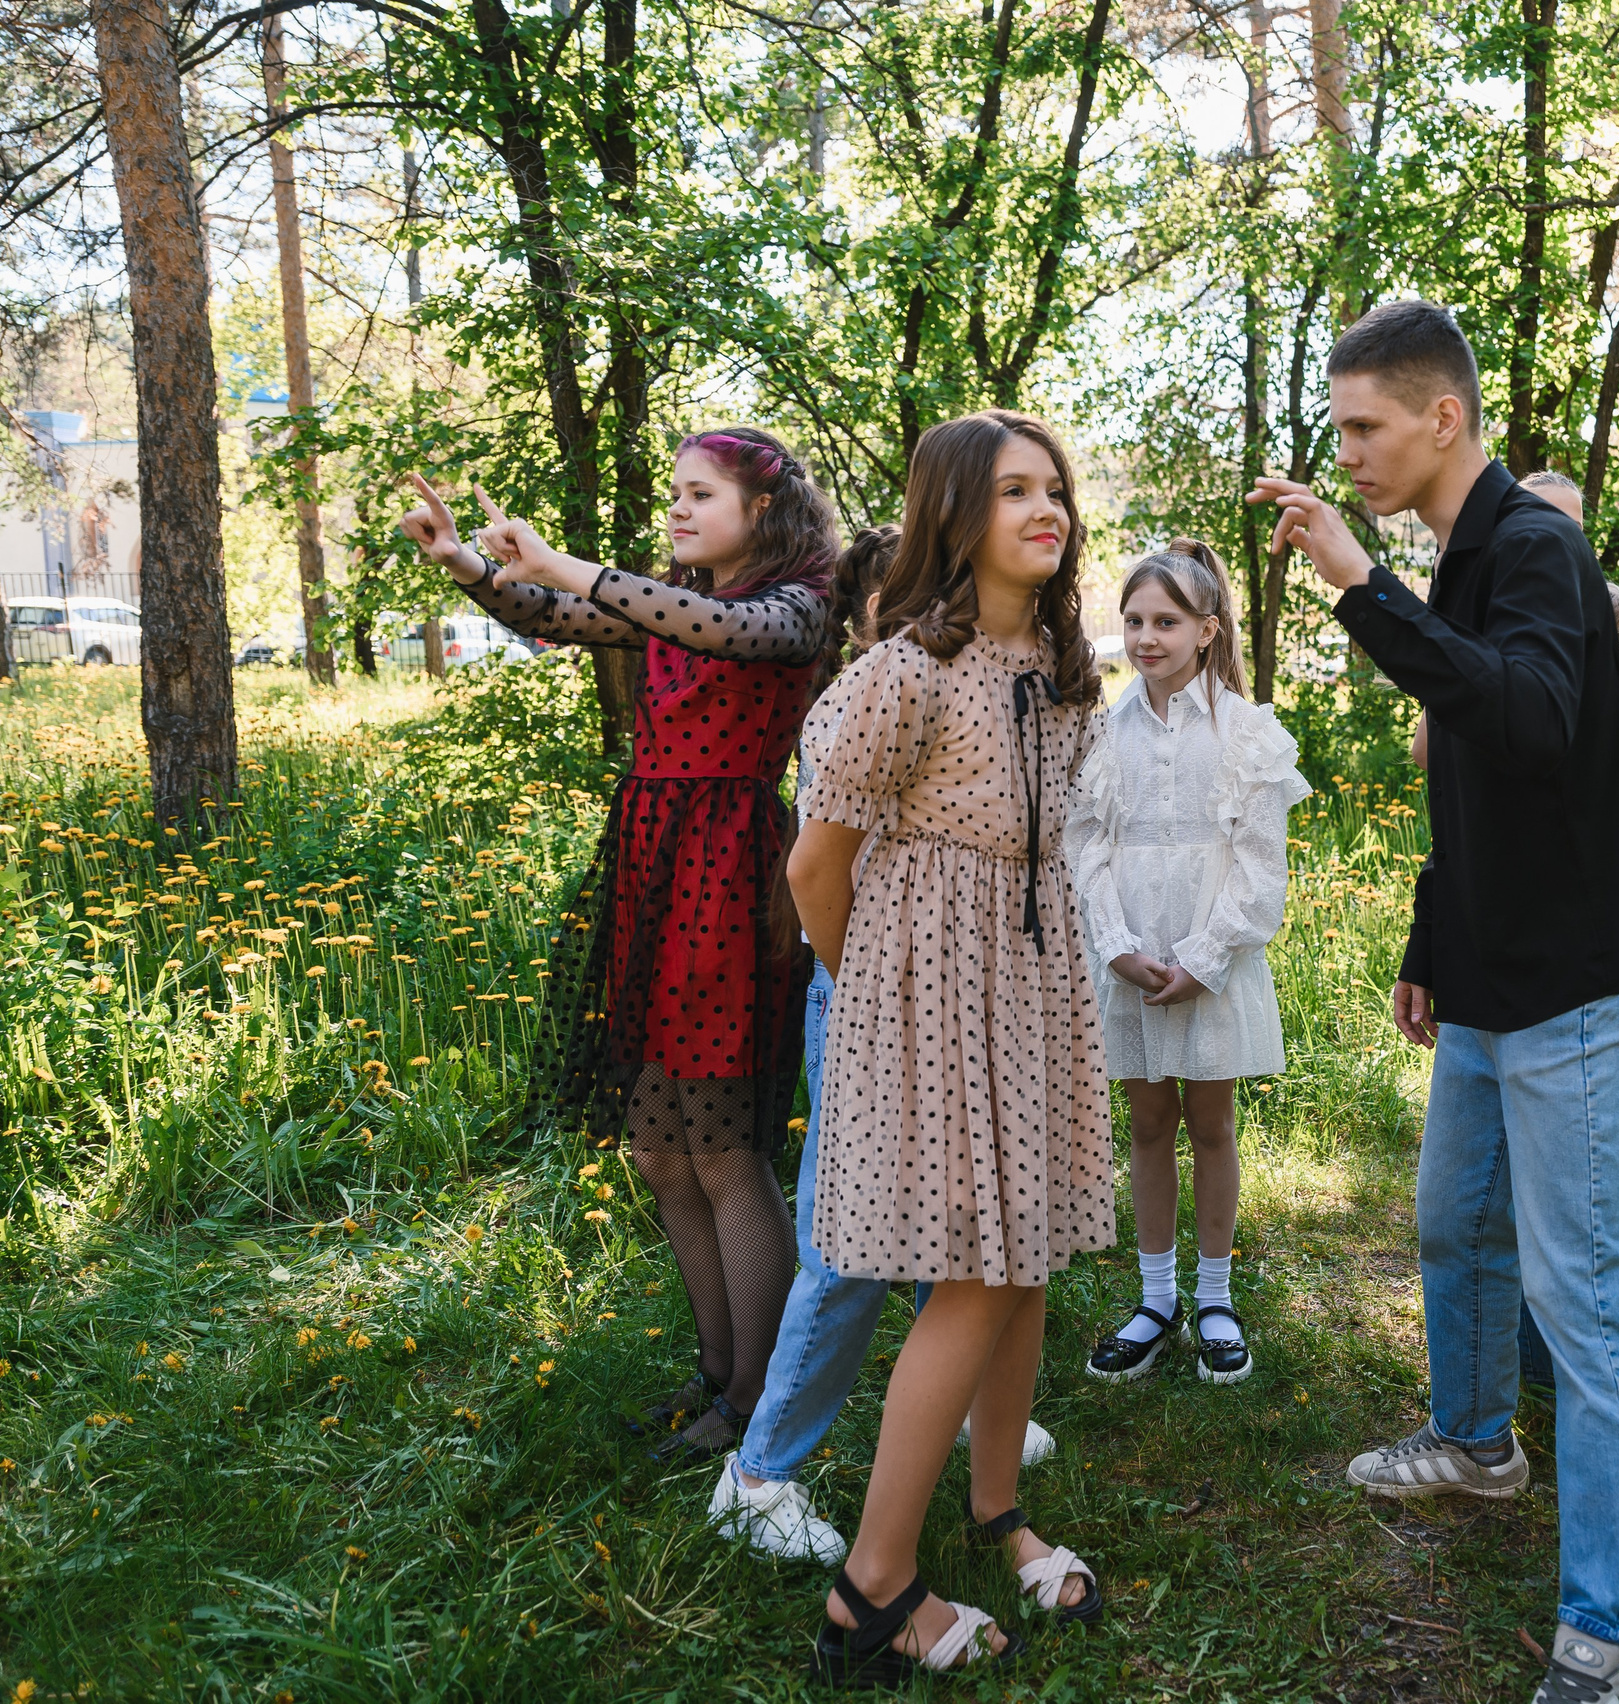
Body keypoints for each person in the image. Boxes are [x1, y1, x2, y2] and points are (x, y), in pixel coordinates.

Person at [1253, 301, 1619, 1704]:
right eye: (1342, 430)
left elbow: (1540, 720)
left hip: (1571, 988)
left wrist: (1362, 592)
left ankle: (1603, 1628)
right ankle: (1478, 1445)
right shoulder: (1467, 556)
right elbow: (1476, 785)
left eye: (1368, 427)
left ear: (1445, 418)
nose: (1350, 452)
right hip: (1491, 979)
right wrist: (1433, 940)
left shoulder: (1537, 546)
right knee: (1451, 1224)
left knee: (1587, 1296)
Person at [397, 429, 841, 1461]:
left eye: (701, 494)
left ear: (763, 510)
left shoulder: (795, 605)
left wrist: (568, 562)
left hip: (729, 879)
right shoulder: (671, 600)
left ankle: (757, 1409)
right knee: (658, 1150)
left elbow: (714, 628)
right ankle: (717, 1378)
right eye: (675, 492)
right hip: (653, 870)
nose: (679, 510)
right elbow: (555, 611)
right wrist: (463, 559)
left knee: (726, 1148)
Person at [787, 410, 1113, 1683]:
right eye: (1014, 491)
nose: (1048, 510)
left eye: (1057, 489)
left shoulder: (1068, 672)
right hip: (923, 995)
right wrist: (873, 994)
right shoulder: (904, 672)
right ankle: (869, 1594)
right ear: (952, 515)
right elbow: (818, 865)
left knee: (1025, 1259)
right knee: (971, 1275)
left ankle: (994, 1509)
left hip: (1031, 987)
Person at [705, 523, 1058, 1564]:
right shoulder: (873, 698)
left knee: (958, 1214)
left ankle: (959, 1403)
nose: (921, 620)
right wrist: (869, 985)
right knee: (850, 1241)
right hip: (866, 994)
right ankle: (759, 1471)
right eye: (895, 603)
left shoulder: (992, 683)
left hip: (958, 1001)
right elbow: (818, 873)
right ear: (863, 619)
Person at [1415, 472, 1619, 1247]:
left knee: (1576, 1196)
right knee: (1528, 1185)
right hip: (1511, 964)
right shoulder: (1486, 624)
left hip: (1592, 970)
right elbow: (1438, 778)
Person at [1066, 539, 1311, 1385]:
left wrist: (1203, 958)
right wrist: (1118, 946)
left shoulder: (1247, 733)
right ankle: (1155, 1296)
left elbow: (1259, 864)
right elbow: (1087, 844)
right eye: (1133, 620)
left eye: (1166, 621)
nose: (1146, 637)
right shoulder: (1104, 731)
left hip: (1213, 970)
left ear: (1207, 631)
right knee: (1145, 1125)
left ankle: (1214, 1297)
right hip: (1131, 964)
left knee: (1210, 1127)